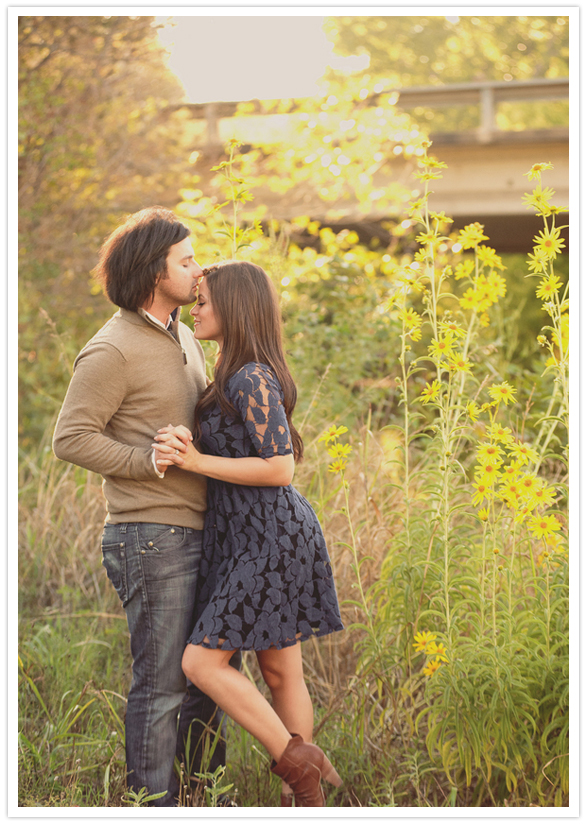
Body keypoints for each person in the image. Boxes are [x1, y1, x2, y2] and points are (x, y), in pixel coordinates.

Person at [53, 207, 238, 807]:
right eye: (185, 261)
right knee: (160, 688)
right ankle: (149, 809)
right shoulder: (111, 348)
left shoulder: (183, 332)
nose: (197, 268)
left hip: (199, 531)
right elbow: (71, 438)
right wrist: (147, 461)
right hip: (149, 538)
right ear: (153, 272)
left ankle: (201, 803)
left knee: (208, 682)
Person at [152, 260, 345, 807]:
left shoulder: (250, 376)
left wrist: (194, 461)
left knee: (200, 663)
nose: (196, 306)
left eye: (205, 299)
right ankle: (304, 800)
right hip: (250, 535)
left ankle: (296, 763)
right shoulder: (233, 372)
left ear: (235, 306)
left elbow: (279, 468)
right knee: (281, 673)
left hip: (270, 536)